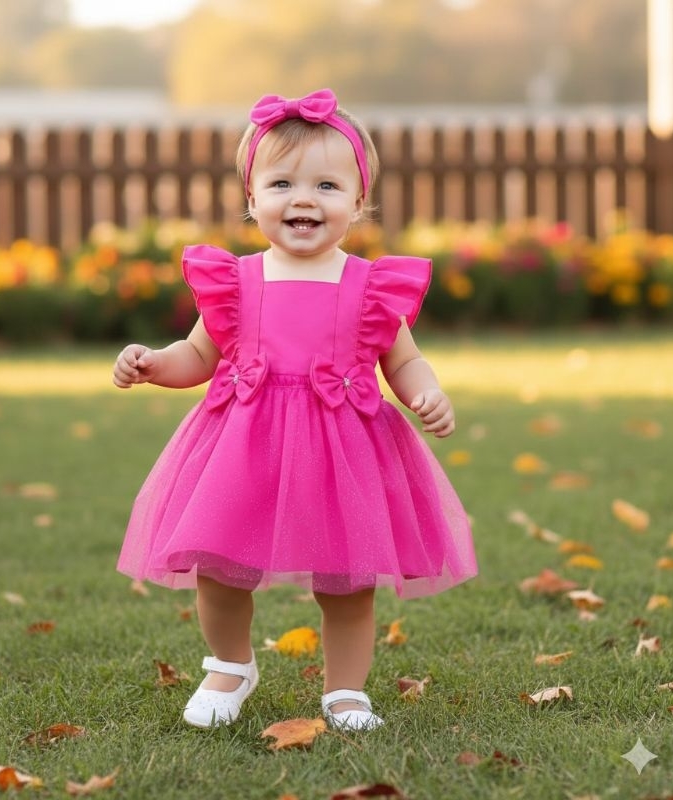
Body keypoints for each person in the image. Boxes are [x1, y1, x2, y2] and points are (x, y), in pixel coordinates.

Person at [113, 88, 476, 731]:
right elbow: (196, 355)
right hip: (243, 445)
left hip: (343, 449)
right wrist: (152, 364)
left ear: (358, 202)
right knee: (221, 567)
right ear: (252, 200)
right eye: (281, 183)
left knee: (347, 578)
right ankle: (230, 663)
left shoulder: (370, 289)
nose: (303, 199)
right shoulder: (238, 282)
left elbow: (404, 360)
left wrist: (426, 391)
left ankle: (344, 690)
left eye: (327, 186)